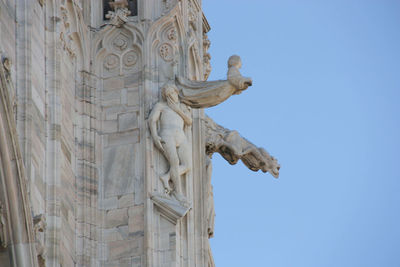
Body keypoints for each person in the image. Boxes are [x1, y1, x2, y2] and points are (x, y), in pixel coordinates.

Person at [148, 83, 192, 202]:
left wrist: (177, 110)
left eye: (172, 92)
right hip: (167, 134)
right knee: (175, 162)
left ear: (176, 93)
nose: (170, 96)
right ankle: (178, 193)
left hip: (181, 136)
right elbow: (152, 120)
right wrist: (155, 135)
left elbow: (189, 121)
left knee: (188, 165)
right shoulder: (161, 105)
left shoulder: (181, 106)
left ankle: (166, 177)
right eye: (167, 94)